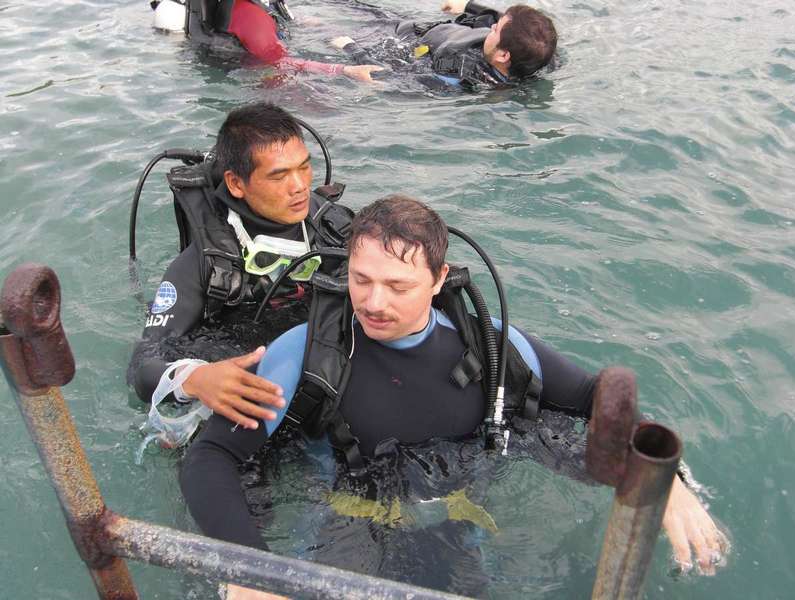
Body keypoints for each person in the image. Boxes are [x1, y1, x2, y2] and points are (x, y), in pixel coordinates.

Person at [179, 196, 729, 599]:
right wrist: (250, 570)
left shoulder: (493, 346)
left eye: (398, 286)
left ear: (439, 278)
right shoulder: (304, 353)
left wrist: (663, 482)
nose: (374, 303)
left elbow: (592, 397)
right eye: (362, 280)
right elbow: (211, 457)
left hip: (457, 517)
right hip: (348, 518)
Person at [128, 102, 354, 433]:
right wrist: (195, 380)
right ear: (236, 183)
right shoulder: (203, 264)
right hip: (244, 384)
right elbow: (142, 365)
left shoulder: (335, 229)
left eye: (304, 168)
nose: (299, 186)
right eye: (279, 175)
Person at [330, 1, 558, 87]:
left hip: (398, 34)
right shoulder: (541, 54)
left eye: (496, 30)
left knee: (331, 23)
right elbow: (520, 26)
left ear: (503, 56)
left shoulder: (457, 75)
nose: (492, 26)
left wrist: (351, 47)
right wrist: (468, 5)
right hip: (425, 27)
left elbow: (387, 77)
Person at [150, 0, 382, 82]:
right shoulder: (251, 18)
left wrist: (309, 24)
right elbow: (280, 63)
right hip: (259, 77)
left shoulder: (246, 8)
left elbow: (282, 16)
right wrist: (344, 70)